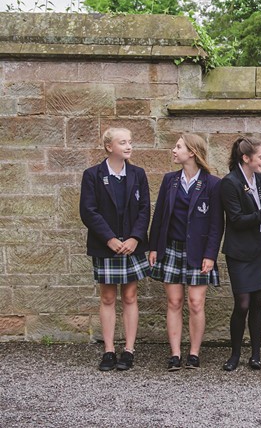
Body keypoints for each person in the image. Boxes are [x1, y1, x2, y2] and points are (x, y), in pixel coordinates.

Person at [148, 134, 224, 371]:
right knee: (174, 301)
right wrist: (153, 247)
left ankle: (194, 353)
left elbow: (216, 224)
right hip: (171, 248)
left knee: (196, 303)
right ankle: (175, 354)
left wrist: (210, 255)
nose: (174, 150)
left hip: (199, 252)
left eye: (178, 146)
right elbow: (159, 215)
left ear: (192, 152)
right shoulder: (169, 180)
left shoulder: (213, 184)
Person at [79, 127, 150, 371]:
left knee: (130, 296)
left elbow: (144, 209)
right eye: (123, 142)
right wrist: (109, 239)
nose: (129, 146)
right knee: (108, 297)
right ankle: (109, 350)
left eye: (130, 142)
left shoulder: (138, 174)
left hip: (131, 247)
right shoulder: (92, 175)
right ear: (109, 147)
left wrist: (135, 238)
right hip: (105, 246)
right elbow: (88, 211)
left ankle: (129, 350)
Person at [219, 136, 261, 371]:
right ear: (246, 158)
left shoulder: (260, 179)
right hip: (240, 252)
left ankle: (255, 354)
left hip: (260, 249)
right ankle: (235, 354)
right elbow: (236, 220)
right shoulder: (230, 183)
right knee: (242, 303)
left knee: (257, 302)